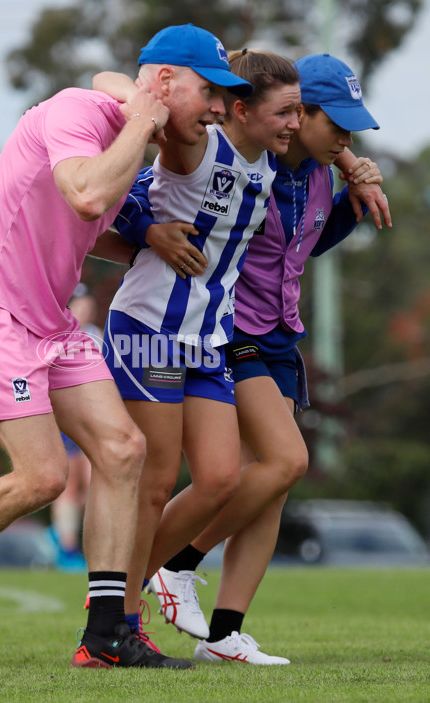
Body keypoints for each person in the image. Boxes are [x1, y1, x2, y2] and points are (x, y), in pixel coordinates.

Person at [0, 23, 248, 671]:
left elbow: (89, 223)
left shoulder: (130, 134)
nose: (216, 109)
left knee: (123, 450)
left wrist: (146, 235)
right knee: (41, 476)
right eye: (208, 92)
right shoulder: (74, 111)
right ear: (162, 83)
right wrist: (141, 118)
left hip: (50, 321)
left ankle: (104, 636)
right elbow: (88, 191)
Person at [143, 53, 391, 665]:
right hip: (233, 330)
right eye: (335, 123)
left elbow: (306, 246)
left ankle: (224, 634)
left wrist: (351, 192)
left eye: (352, 131)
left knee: (271, 486)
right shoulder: (251, 157)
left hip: (282, 336)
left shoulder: (320, 173)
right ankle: (171, 564)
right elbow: (224, 109)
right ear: (298, 112)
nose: (345, 137)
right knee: (286, 461)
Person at [92, 49, 302, 646]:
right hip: (151, 328)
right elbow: (106, 81)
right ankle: (115, 623)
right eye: (285, 112)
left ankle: (134, 591)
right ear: (241, 109)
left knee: (217, 480)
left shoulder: (267, 167)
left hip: (209, 339)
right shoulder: (196, 147)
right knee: (155, 483)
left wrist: (358, 165)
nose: (294, 123)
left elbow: (323, 137)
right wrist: (145, 228)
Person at [49, 286, 101, 572]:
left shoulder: (98, 335)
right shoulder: (57, 333)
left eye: (90, 308)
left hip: (92, 418)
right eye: (82, 307)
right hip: (65, 418)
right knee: (69, 486)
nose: (86, 312)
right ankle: (67, 547)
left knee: (96, 483)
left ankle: (66, 536)